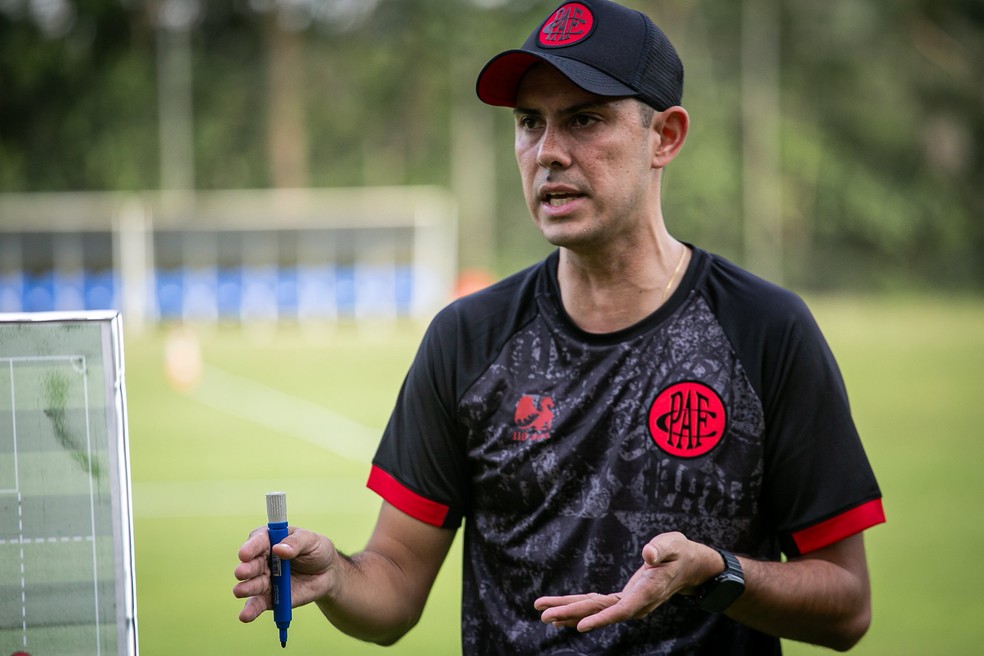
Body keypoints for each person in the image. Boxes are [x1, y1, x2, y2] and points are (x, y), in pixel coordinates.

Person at [233, 1, 886, 653]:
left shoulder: (764, 329)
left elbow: (845, 605)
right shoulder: (467, 339)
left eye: (584, 120)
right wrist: (336, 578)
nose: (548, 152)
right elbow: (394, 589)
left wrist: (718, 573)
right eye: (529, 123)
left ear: (665, 137)